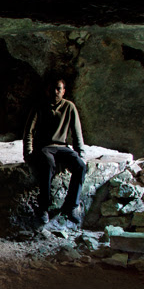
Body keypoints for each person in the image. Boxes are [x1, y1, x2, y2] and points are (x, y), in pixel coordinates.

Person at [23, 78, 87, 224]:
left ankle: (71, 206)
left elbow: (77, 133)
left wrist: (80, 154)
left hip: (62, 147)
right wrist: (28, 153)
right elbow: (28, 132)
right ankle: (44, 207)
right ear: (47, 90)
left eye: (59, 89)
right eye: (53, 88)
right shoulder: (39, 107)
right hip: (44, 147)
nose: (55, 92)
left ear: (64, 91)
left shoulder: (69, 107)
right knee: (47, 165)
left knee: (80, 166)